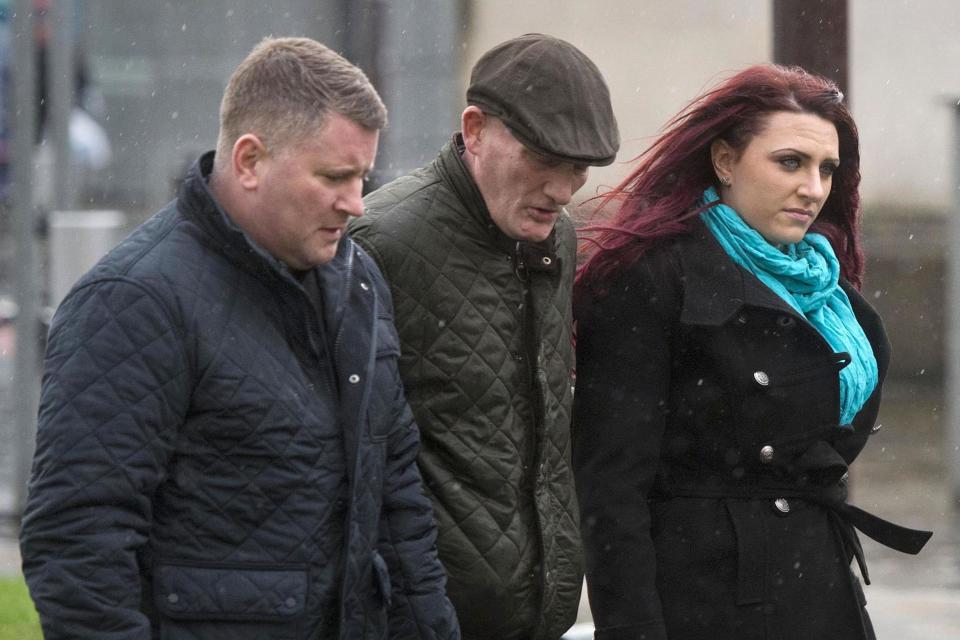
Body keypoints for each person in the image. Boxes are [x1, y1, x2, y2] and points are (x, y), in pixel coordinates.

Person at [19, 36, 459, 640]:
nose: (357, 203)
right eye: (334, 176)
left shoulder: (357, 281)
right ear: (249, 160)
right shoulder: (132, 301)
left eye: (363, 176)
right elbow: (77, 543)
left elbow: (398, 505)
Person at [572, 64, 932, 640]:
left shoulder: (833, 298)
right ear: (724, 161)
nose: (813, 188)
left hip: (821, 590)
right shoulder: (655, 280)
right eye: (790, 162)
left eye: (827, 169)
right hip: (705, 598)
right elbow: (611, 489)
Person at [349, 33, 619, 640]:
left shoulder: (559, 235)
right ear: (474, 131)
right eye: (545, 159)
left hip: (536, 616)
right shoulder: (378, 242)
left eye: (579, 167)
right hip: (420, 617)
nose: (563, 189)